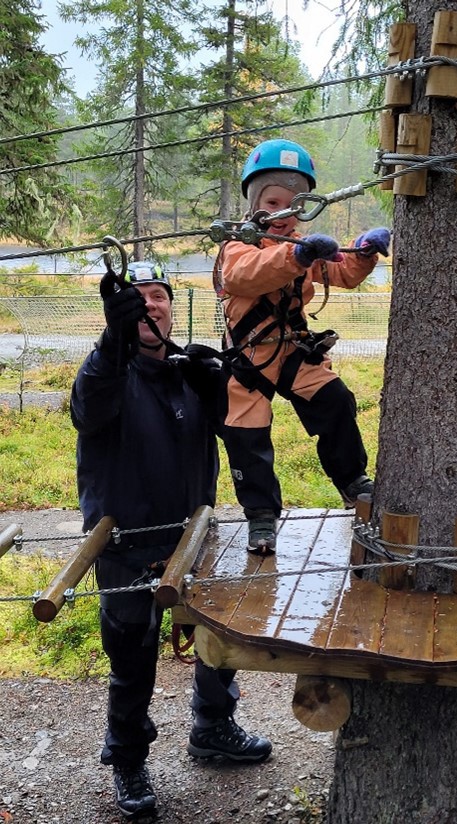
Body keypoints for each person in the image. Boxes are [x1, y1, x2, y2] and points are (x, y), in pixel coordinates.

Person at [70, 261, 271, 820]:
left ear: (169, 307)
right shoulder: (105, 371)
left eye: (158, 296)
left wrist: (222, 379)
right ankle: (129, 758)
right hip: (125, 543)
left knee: (214, 642)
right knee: (131, 657)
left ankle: (213, 727)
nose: (150, 305)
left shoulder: (187, 370)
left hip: (195, 535)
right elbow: (89, 408)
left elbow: (245, 428)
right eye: (137, 298)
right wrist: (112, 341)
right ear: (120, 313)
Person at [209, 138, 390, 555]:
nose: (282, 214)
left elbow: (342, 273)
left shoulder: (301, 245)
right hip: (249, 359)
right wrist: (299, 257)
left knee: (335, 400)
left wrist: (362, 252)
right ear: (254, 203)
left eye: (293, 205)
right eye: (272, 202)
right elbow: (246, 276)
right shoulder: (237, 247)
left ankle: (352, 482)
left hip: (292, 352)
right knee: (246, 435)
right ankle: (260, 517)